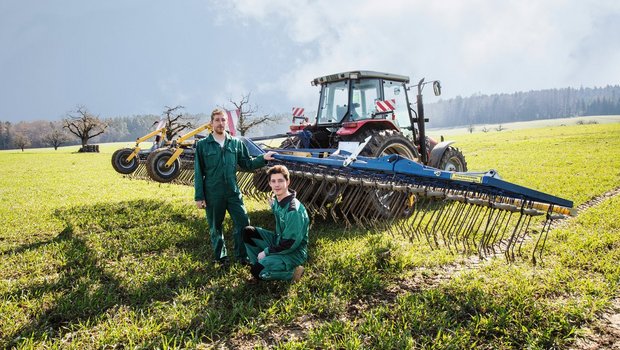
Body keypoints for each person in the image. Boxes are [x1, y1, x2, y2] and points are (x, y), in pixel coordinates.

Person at [194, 108, 275, 266]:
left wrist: (262, 158)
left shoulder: (236, 143)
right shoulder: (203, 145)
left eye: (223, 120)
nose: (221, 123)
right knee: (216, 227)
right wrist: (199, 196)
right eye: (217, 120)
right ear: (211, 123)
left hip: (233, 192)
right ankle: (221, 258)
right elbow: (198, 172)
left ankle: (242, 256)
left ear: (227, 122)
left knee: (243, 222)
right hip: (213, 193)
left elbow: (247, 163)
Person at [243, 164, 309, 283]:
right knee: (248, 232)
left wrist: (266, 252)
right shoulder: (279, 200)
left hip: (294, 252)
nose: (277, 184)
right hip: (279, 240)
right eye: (273, 181)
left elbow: (290, 243)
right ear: (269, 183)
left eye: (280, 180)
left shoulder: (293, 211)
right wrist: (273, 206)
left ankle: (293, 273)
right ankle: (259, 264)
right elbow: (280, 213)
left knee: (258, 271)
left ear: (288, 181)